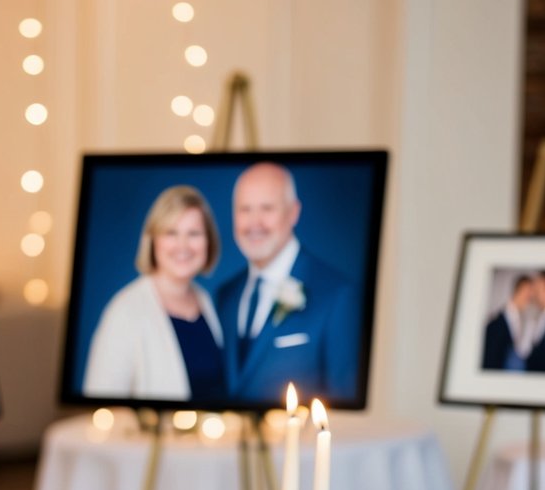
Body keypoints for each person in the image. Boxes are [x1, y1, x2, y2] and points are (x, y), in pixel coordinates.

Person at [215, 162, 359, 405]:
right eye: (245, 209)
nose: (254, 223)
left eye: (267, 208)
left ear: (293, 212)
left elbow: (342, 401)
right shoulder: (225, 295)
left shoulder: (337, 294)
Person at [82, 186, 224, 403]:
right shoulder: (124, 310)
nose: (183, 245)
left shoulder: (207, 301)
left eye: (194, 233)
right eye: (171, 233)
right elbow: (101, 403)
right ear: (153, 240)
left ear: (208, 241)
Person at [481, 274, 534, 370]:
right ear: (520, 290)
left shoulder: (523, 321)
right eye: (528, 296)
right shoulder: (495, 324)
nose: (529, 300)